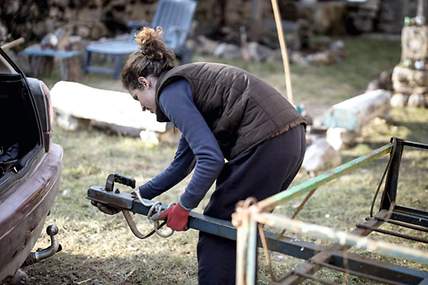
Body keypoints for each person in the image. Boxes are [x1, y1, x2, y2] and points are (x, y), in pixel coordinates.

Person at [121, 27, 306, 284]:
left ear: (144, 82)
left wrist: (184, 206)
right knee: (240, 229)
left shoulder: (170, 93)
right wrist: (138, 195)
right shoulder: (186, 86)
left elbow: (211, 159)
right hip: (290, 139)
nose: (142, 106)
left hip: (267, 142)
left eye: (137, 98)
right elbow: (182, 163)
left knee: (218, 230)